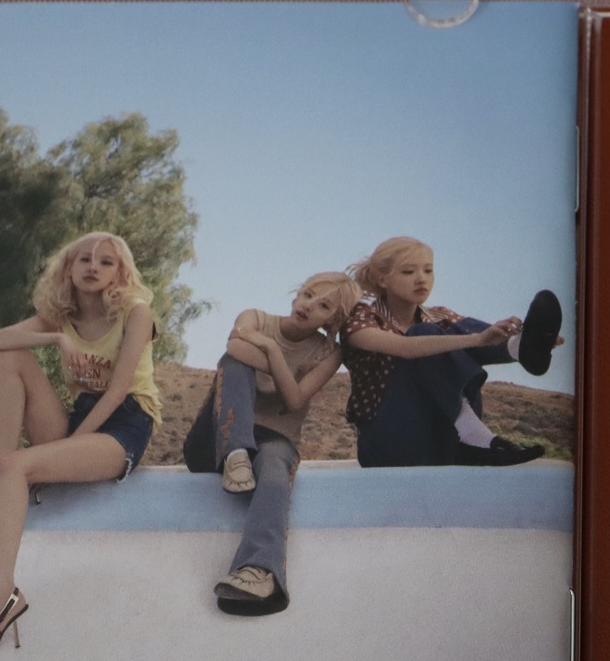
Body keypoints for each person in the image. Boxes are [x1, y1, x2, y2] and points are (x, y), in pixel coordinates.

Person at [0, 231, 159, 659]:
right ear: (68, 268)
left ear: (121, 272)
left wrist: (65, 451)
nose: (93, 267)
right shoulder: (61, 317)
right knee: (10, 356)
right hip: (79, 415)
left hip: (124, 423)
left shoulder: (136, 312)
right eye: (84, 259)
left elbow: (116, 392)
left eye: (106, 261)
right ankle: (6, 465)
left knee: (16, 469)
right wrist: (56, 337)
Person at [208, 271, 359, 616]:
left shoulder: (329, 352)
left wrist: (271, 349)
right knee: (235, 363)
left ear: (333, 321)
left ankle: (258, 572)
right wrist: (282, 366)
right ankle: (235, 453)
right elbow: (234, 347)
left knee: (275, 469)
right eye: (307, 294)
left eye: (323, 306)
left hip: (274, 439)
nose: (309, 305)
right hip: (219, 434)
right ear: (296, 295)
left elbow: (294, 401)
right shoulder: (255, 317)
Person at [339, 236, 561, 469]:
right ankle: (474, 436)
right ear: (382, 279)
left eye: (428, 270)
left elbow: (485, 338)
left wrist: (534, 339)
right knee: (427, 335)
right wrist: (477, 338)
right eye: (408, 272)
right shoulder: (360, 317)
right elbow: (405, 348)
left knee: (452, 330)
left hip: (441, 441)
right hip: (388, 445)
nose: (421, 279)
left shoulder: (440, 316)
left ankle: (519, 348)